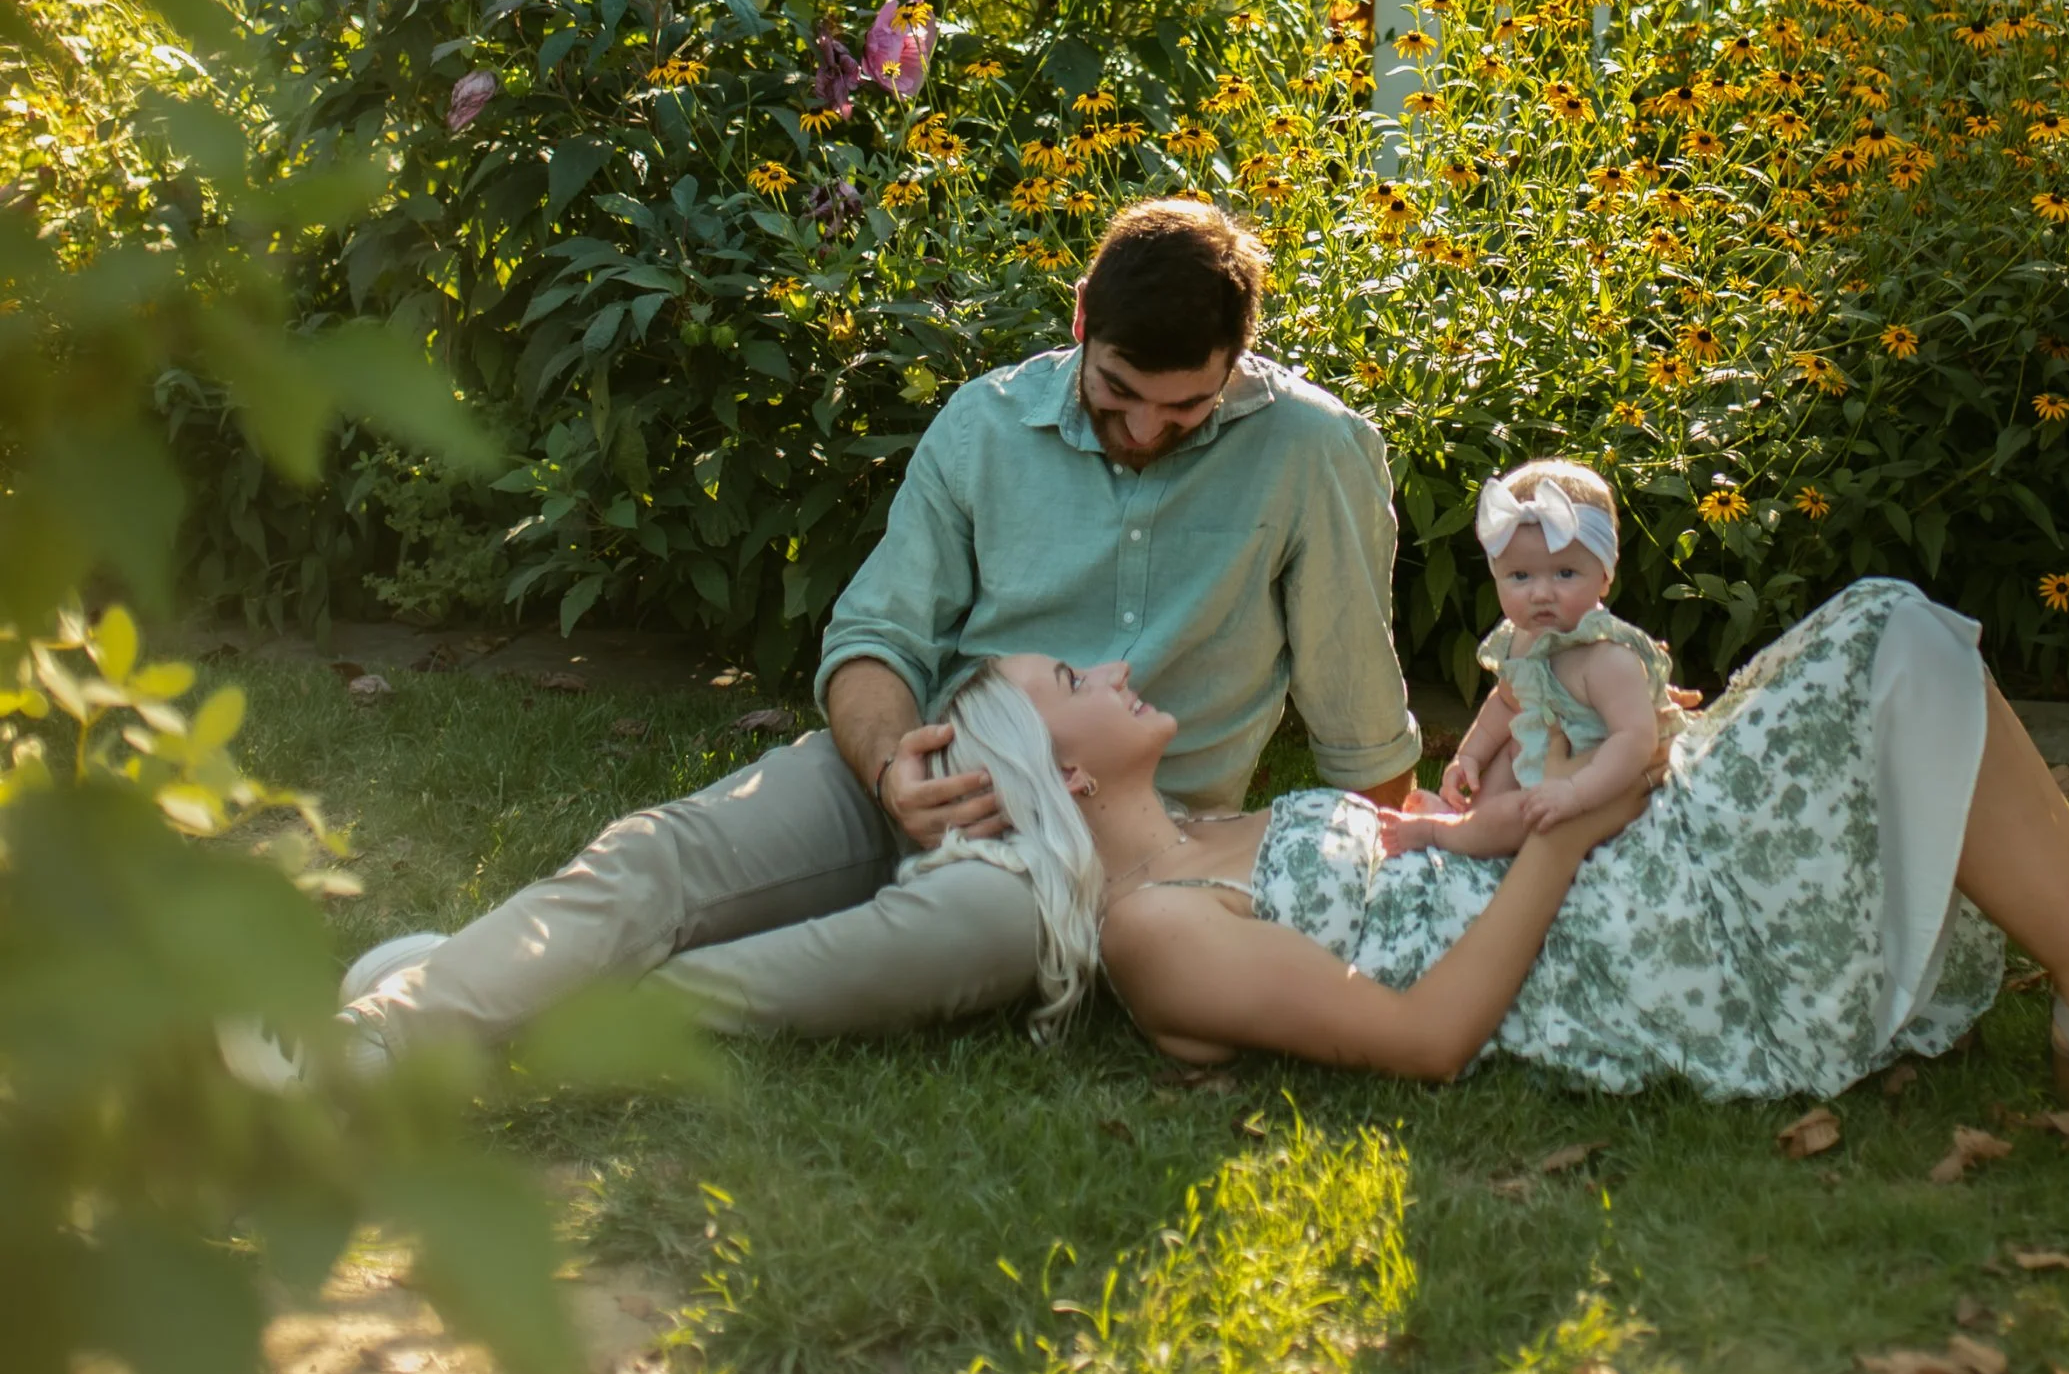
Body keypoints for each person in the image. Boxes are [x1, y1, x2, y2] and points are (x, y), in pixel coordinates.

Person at [327, 196, 1420, 1058]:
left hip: (1097, 846)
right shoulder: (985, 425)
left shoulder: (1311, 450)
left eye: (1181, 414)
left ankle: (501, 1001)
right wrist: (893, 761)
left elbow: (1354, 707)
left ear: (1238, 361)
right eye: (1118, 393)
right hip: (924, 761)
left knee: (910, 947)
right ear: (1082, 320)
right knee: (658, 856)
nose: (1141, 431)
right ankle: (377, 1041)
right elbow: (875, 638)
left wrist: (1399, 885)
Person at [944, 577, 2069, 1133]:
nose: (1115, 663)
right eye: (1074, 673)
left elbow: (1420, 864)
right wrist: (1573, 826)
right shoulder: (1155, 928)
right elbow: (1424, 1033)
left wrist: (1520, 772)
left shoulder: (1205, 822)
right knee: (1891, 641)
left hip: (1593, 862)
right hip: (1635, 948)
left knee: (1895, 637)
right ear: (1061, 770)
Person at [1380, 459, 1686, 856]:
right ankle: (1475, 818)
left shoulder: (1607, 656)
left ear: (1605, 576)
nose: (1541, 593)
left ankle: (1442, 835)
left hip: (1602, 792)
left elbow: (1636, 740)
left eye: (1564, 574)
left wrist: (1573, 793)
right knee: (1512, 746)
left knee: (1516, 811)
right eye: (1520, 577)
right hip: (1547, 775)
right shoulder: (1523, 640)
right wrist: (1468, 756)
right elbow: (1506, 702)